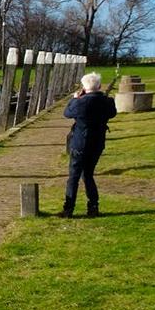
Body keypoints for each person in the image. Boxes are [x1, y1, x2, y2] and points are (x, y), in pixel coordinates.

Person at [61, 72, 116, 218]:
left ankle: (68, 209)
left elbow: (67, 113)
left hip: (80, 143)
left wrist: (74, 99)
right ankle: (93, 206)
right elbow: (112, 113)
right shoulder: (107, 101)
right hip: (97, 143)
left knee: (74, 176)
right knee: (88, 175)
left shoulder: (80, 102)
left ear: (84, 88)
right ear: (99, 86)